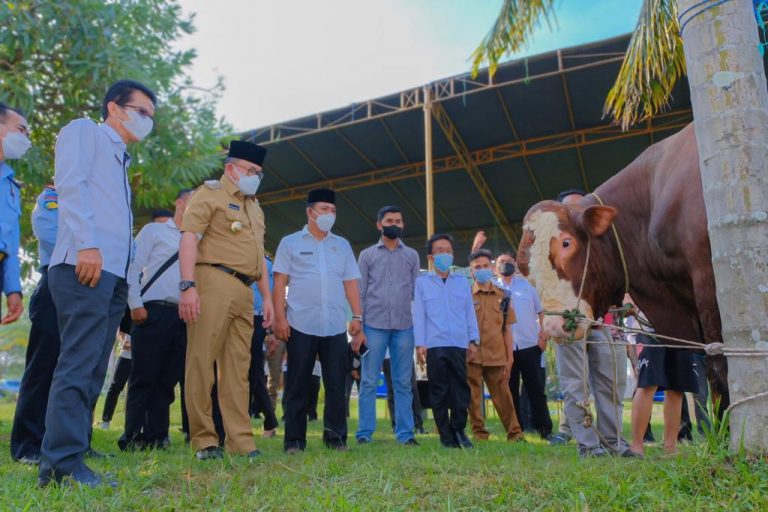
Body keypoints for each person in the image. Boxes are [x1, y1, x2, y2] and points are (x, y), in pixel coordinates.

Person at [40, 80, 156, 488]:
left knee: (93, 367)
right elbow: (69, 186)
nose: (147, 121)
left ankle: (77, 447)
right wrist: (87, 245)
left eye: (151, 116)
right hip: (83, 265)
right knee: (77, 363)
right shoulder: (83, 132)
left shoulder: (121, 158)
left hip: (113, 275)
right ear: (114, 107)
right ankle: (59, 465)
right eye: (141, 111)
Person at [179, 140, 272, 461]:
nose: (255, 176)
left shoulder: (254, 206)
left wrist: (269, 300)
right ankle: (204, 439)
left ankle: (240, 441)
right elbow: (189, 236)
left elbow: (260, 257)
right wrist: (187, 285)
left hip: (246, 291)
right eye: (250, 170)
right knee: (201, 361)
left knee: (239, 369)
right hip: (212, 282)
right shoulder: (210, 194)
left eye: (259, 172)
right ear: (230, 168)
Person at [272, 188, 365, 453]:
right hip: (300, 324)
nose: (329, 214)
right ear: (310, 212)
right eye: (324, 209)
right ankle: (294, 441)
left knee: (336, 383)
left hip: (335, 325)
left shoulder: (342, 245)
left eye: (333, 210)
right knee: (297, 384)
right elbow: (279, 283)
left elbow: (350, 284)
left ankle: (335, 438)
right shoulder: (290, 242)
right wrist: (280, 318)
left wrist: (357, 316)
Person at [549, 189, 633, 457]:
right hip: (570, 323)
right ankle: (588, 445)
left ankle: (614, 443)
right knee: (576, 386)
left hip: (606, 323)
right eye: (569, 211)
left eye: (581, 208)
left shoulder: (606, 246)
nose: (576, 215)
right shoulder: (551, 250)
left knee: (612, 386)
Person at [118, 189, 192, 450]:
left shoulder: (199, 239)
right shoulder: (155, 231)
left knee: (167, 380)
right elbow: (134, 267)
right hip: (153, 311)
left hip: (184, 315)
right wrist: (135, 304)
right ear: (180, 203)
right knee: (143, 376)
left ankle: (157, 435)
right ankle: (132, 434)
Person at [356, 205, 420, 446]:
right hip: (373, 325)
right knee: (369, 380)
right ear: (379, 225)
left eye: (399, 220)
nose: (395, 224)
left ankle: (405, 434)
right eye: (390, 220)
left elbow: (416, 292)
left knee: (403, 382)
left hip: (404, 325)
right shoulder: (367, 255)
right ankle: (364, 433)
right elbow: (360, 292)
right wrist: (358, 325)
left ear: (403, 225)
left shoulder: (412, 256)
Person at [413, 233, 479, 448]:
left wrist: (473, 340)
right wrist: (420, 343)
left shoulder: (461, 282)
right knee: (438, 390)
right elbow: (419, 315)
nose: (445, 255)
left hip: (459, 342)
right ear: (431, 257)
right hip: (434, 344)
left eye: (448, 251)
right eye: (440, 251)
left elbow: (470, 312)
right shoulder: (422, 283)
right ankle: (446, 436)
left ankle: (458, 428)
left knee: (461, 388)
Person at [10, 184, 58, 464]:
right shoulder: (52, 197)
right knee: (42, 367)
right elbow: (48, 232)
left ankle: (73, 438)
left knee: (76, 369)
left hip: (89, 288)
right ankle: (28, 444)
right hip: (55, 282)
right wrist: (90, 250)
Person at [466, 249, 523, 441]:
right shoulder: (465, 295)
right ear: (471, 271)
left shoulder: (504, 296)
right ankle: (479, 433)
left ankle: (515, 434)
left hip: (496, 355)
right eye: (477, 267)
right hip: (471, 356)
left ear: (491, 268)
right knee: (473, 398)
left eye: (485, 266)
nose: (481, 270)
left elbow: (507, 329)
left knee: (504, 397)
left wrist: (510, 357)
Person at [494, 253, 553, 441]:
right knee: (509, 390)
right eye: (502, 262)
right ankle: (516, 430)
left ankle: (544, 428)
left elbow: (541, 311)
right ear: (496, 268)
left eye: (510, 262)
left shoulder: (527, 287)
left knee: (535, 389)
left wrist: (543, 335)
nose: (506, 265)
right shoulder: (493, 289)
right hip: (505, 348)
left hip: (529, 345)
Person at [628, 310, 700, 456]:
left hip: (682, 329)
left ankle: (670, 446)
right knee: (648, 384)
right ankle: (636, 446)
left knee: (676, 386)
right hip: (650, 327)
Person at [0, 102, 29, 326]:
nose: (26, 138)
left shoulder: (11, 186)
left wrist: (13, 289)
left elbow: (10, 243)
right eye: (21, 130)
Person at [248, 255, 280, 437]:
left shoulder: (266, 263)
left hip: (256, 318)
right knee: (252, 372)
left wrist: (272, 331)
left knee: (253, 372)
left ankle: (267, 419)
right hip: (232, 314)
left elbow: (273, 295)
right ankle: (269, 419)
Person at [101, 331, 132, 429]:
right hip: (126, 355)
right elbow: (120, 330)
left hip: (142, 355)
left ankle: (132, 424)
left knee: (136, 391)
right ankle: (106, 420)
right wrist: (123, 342)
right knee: (115, 387)